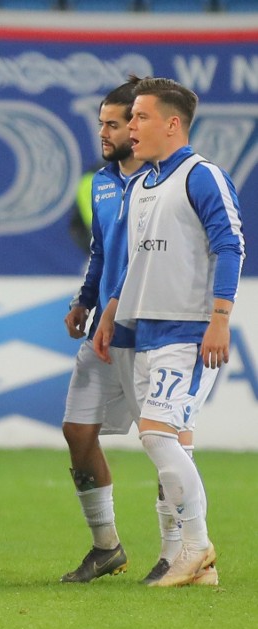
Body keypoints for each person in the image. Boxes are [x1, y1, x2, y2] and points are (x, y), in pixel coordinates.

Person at [93, 76, 244, 587]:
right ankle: (198, 565)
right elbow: (135, 262)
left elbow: (231, 246)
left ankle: (196, 545)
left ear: (172, 124)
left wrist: (220, 318)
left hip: (190, 330)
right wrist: (112, 311)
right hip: (144, 332)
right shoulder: (140, 184)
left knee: (156, 436)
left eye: (140, 117)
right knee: (172, 438)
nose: (130, 127)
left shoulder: (203, 177)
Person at [60, 80, 150, 584]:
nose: (104, 132)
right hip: (102, 330)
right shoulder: (101, 182)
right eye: (102, 122)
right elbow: (101, 250)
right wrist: (85, 300)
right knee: (77, 431)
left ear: (137, 126)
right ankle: (106, 546)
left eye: (113, 123)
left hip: (149, 330)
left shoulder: (164, 183)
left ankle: (185, 548)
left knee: (164, 442)